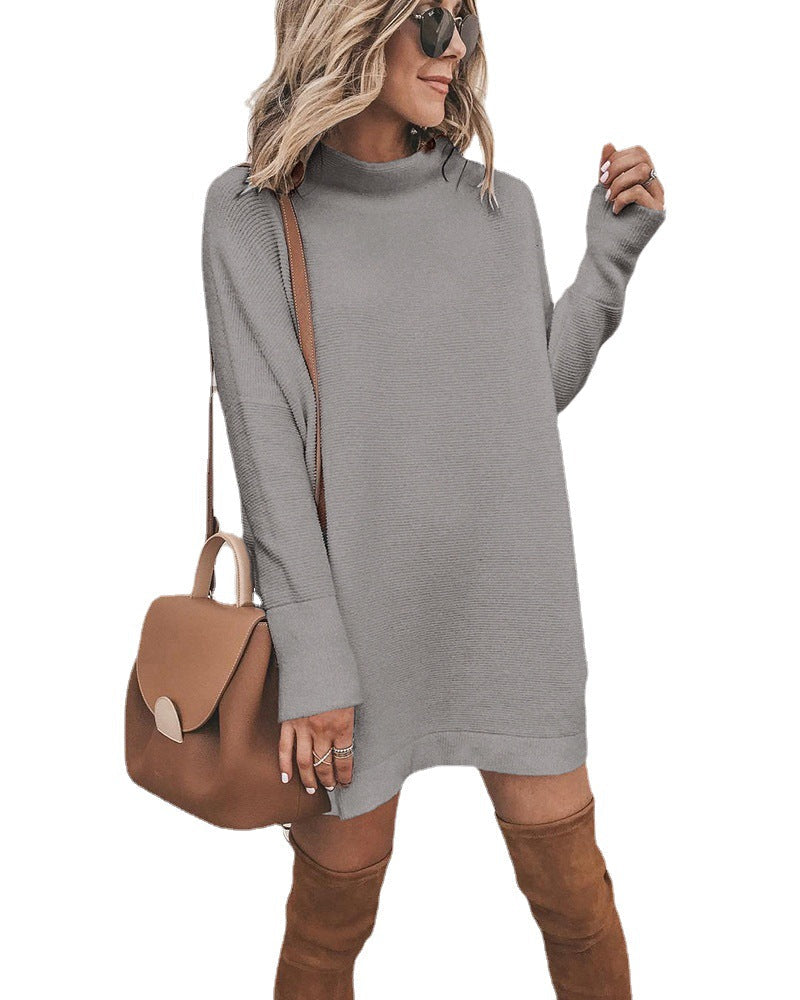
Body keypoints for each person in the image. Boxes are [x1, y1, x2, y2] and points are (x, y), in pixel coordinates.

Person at [200, 1, 666, 997]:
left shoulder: (502, 205)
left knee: (575, 902)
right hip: (353, 626)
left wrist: (611, 257)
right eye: (425, 19)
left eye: (462, 20)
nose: (453, 46)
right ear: (347, 25)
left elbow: (519, 399)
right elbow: (264, 445)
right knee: (330, 922)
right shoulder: (251, 213)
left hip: (511, 609)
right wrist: (314, 654)